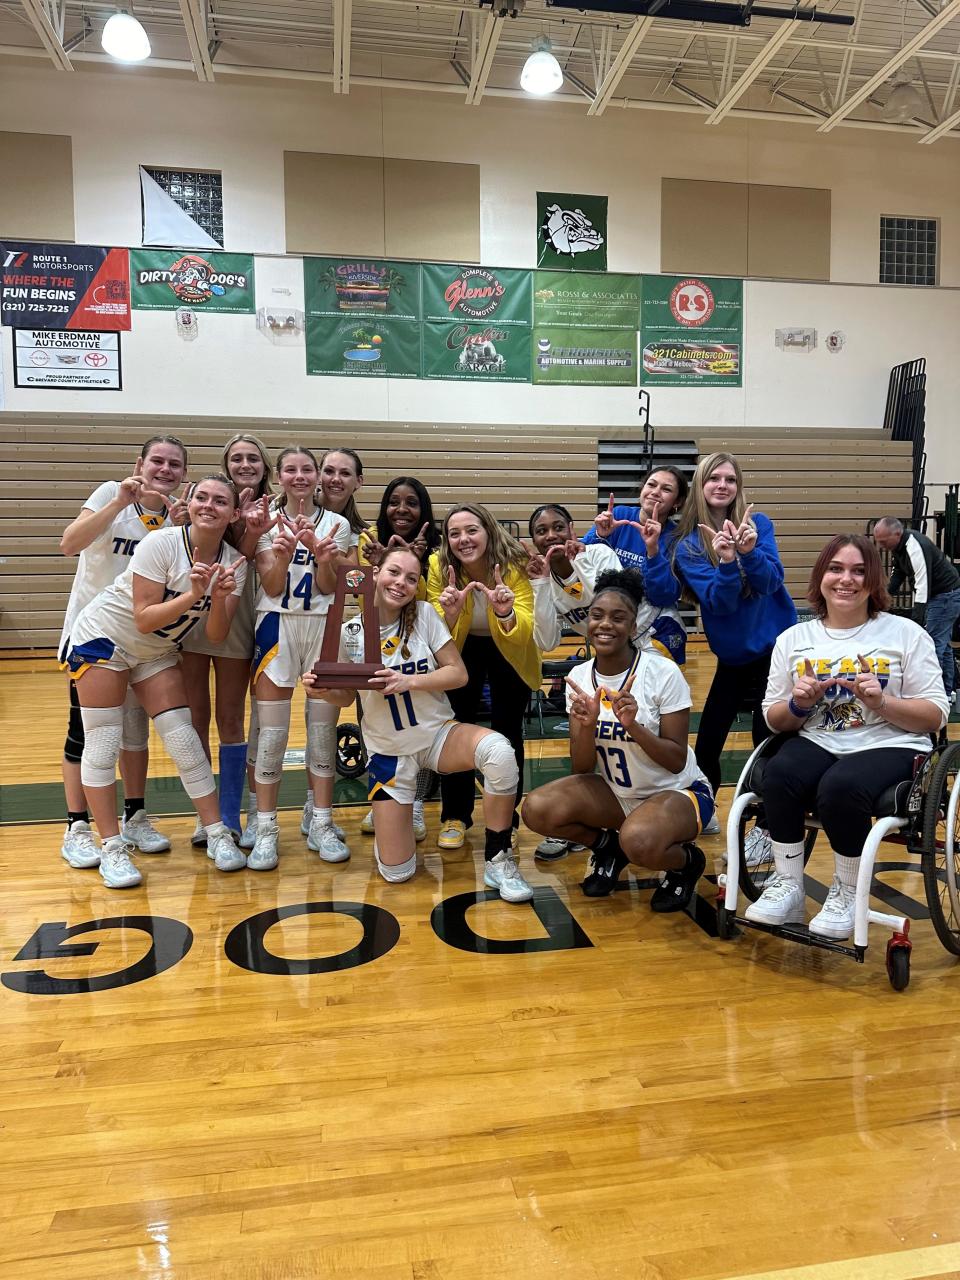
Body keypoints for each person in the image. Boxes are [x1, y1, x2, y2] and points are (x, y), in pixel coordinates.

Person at [747, 533, 947, 938]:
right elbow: (774, 719)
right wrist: (799, 706)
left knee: (841, 786)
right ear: (821, 576)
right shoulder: (794, 639)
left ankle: (846, 890)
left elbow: (935, 715)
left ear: (874, 581)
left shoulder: (906, 635)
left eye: (859, 571)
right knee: (780, 774)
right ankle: (787, 885)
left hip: (892, 741)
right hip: (819, 739)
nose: (846, 579)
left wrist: (881, 703)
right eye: (836, 569)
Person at [304, 546, 528, 900]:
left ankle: (499, 858)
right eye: (394, 572)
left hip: (437, 735)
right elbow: (346, 698)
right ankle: (397, 820)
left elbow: (458, 674)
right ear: (375, 574)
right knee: (397, 873)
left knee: (499, 752)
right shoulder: (349, 631)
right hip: (389, 753)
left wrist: (408, 681)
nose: (401, 583)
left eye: (411, 578)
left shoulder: (424, 614)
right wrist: (322, 692)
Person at [62, 475, 249, 887]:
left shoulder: (236, 561)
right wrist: (192, 595)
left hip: (153, 650)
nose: (209, 505)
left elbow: (216, 635)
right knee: (104, 740)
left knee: (182, 737)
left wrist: (217, 599)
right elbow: (145, 617)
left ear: (234, 513)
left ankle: (217, 833)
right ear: (189, 500)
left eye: (220, 501)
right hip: (103, 637)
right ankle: (111, 847)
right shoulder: (160, 543)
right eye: (201, 497)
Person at [521, 570, 714, 911]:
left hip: (677, 792)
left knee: (638, 840)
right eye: (597, 616)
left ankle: (686, 863)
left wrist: (635, 727)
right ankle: (607, 847)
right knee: (536, 809)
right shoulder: (580, 677)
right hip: (618, 794)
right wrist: (585, 726)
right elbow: (582, 767)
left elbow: (676, 760)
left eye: (617, 617)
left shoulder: (662, 673)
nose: (605, 624)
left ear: (633, 627)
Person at [57, 435, 188, 870]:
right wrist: (117, 503)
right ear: (141, 463)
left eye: (174, 464)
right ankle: (77, 827)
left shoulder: (177, 520)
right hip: (94, 637)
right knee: (90, 734)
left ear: (183, 474)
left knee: (135, 734)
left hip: (142, 641)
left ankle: (135, 815)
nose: (165, 470)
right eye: (158, 461)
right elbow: (69, 543)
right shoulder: (110, 494)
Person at [672, 452, 796, 832]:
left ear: (738, 487)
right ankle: (705, 809)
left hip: (774, 651)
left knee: (767, 736)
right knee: (709, 740)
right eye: (714, 478)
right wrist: (727, 562)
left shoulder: (757, 524)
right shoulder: (689, 546)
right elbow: (719, 603)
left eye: (730, 479)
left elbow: (771, 582)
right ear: (700, 485)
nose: (722, 485)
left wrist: (749, 551)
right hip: (732, 655)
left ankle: (766, 823)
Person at [425, 504, 540, 891]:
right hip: (460, 649)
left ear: (488, 531)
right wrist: (452, 614)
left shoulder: (515, 563)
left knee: (508, 733)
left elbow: (523, 631)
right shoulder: (437, 566)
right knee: (455, 731)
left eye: (471, 530)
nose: (463, 540)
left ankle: (506, 819)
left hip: (510, 650)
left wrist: (505, 613)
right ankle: (455, 816)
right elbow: (433, 633)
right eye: (454, 533)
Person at [250, 446, 350, 871]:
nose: (299, 476)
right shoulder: (264, 523)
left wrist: (321, 553)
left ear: (316, 476)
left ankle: (322, 821)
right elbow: (272, 586)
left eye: (306, 469)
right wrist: (286, 553)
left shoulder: (339, 524)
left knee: (322, 733)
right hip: (276, 624)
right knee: (272, 736)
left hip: (322, 624)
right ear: (278, 476)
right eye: (290, 469)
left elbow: (331, 584)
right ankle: (267, 828)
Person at [180, 433, 272, 847]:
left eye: (253, 457)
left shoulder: (269, 508)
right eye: (237, 458)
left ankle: (233, 813)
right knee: (195, 719)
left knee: (231, 719)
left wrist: (252, 528)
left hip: (237, 617)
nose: (245, 463)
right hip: (190, 615)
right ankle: (208, 816)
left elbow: (244, 559)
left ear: (264, 465)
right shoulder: (203, 504)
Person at [523, 502, 620, 862]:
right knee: (587, 736)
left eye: (558, 527)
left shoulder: (598, 553)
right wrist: (539, 583)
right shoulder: (542, 575)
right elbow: (547, 641)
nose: (551, 535)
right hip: (603, 661)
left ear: (571, 529)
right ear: (533, 540)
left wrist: (571, 570)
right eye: (541, 530)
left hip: (645, 650)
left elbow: (612, 609)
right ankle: (588, 821)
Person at [357, 476, 442, 841]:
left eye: (412, 502)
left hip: (420, 646)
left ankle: (417, 802)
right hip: (375, 642)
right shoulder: (368, 540)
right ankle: (385, 796)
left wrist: (416, 561)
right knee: (375, 723)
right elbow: (366, 603)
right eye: (395, 501)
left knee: (419, 726)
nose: (402, 509)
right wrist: (376, 570)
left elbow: (424, 606)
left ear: (423, 509)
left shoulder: (435, 552)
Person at [581, 465, 689, 664]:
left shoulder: (678, 539)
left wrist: (653, 551)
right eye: (652, 484)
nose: (656, 492)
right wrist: (600, 536)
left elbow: (662, 596)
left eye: (666, 489)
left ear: (678, 501)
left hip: (655, 627)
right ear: (642, 489)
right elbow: (583, 564)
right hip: (615, 620)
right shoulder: (620, 515)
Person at [872, 516, 960, 703]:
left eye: (883, 541)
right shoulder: (898, 548)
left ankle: (933, 694)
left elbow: (922, 585)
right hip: (942, 595)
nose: (881, 546)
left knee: (932, 644)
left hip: (945, 596)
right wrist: (882, 598)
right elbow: (898, 574)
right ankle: (947, 691)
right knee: (943, 645)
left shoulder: (914, 546)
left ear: (897, 534)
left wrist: (917, 620)